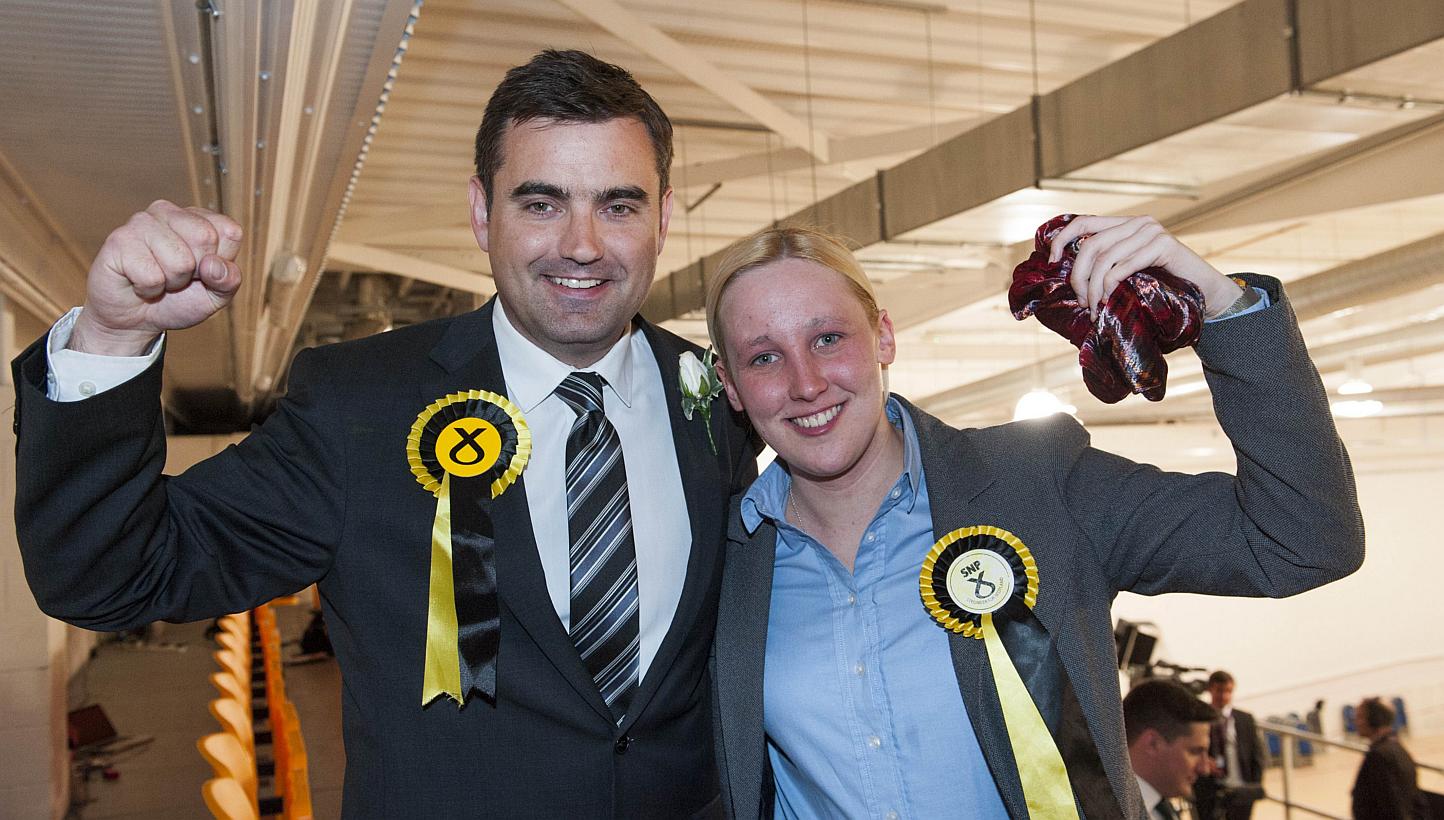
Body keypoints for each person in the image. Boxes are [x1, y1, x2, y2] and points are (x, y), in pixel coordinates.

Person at [13, 50, 756, 817]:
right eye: (541, 204)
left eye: (619, 206)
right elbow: (107, 575)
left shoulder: (722, 399)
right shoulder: (359, 407)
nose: (581, 244)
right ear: (482, 213)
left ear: (664, 217)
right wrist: (111, 338)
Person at [704, 222, 1364, 818]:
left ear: (883, 336)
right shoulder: (722, 557)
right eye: (763, 357)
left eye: (828, 338)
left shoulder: (1036, 483)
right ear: (730, 384)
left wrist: (1222, 307)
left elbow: (1302, 540)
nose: (806, 383)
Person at [1124, 678, 1219, 820]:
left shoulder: (1156, 808)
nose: (1204, 768)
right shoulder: (1105, 811)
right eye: (1195, 751)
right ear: (1153, 743)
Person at [1194, 670, 1266, 820]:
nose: (1224, 696)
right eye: (1219, 691)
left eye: (1228, 691)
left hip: (1241, 790)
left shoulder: (1245, 719)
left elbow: (1256, 754)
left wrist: (1255, 785)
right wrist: (1203, 762)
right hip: (1210, 791)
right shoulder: (1198, 719)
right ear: (1210, 689)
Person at [1352, 697, 1427, 819]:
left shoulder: (1379, 756)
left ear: (1374, 719)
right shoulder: (1395, 746)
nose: (1355, 722)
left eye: (1360, 717)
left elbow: (1391, 805)